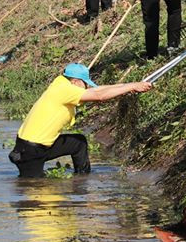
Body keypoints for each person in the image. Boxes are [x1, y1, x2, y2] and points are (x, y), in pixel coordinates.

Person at [9, 63, 152, 177]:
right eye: (85, 84)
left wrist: (129, 86)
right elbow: (99, 95)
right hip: (29, 151)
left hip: (40, 146)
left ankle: (82, 179)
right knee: (32, 190)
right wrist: (132, 86)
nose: (87, 87)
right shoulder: (63, 90)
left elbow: (99, 91)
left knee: (78, 143)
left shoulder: (61, 84)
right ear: (76, 81)